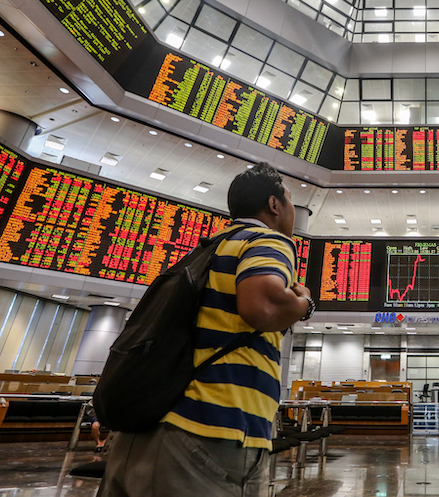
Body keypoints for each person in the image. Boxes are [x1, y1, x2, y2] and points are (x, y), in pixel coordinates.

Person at [98, 164, 315, 496]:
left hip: (145, 429)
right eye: (289, 201)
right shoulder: (268, 240)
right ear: (274, 205)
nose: (292, 214)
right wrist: (304, 303)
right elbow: (263, 306)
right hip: (209, 434)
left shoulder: (209, 248)